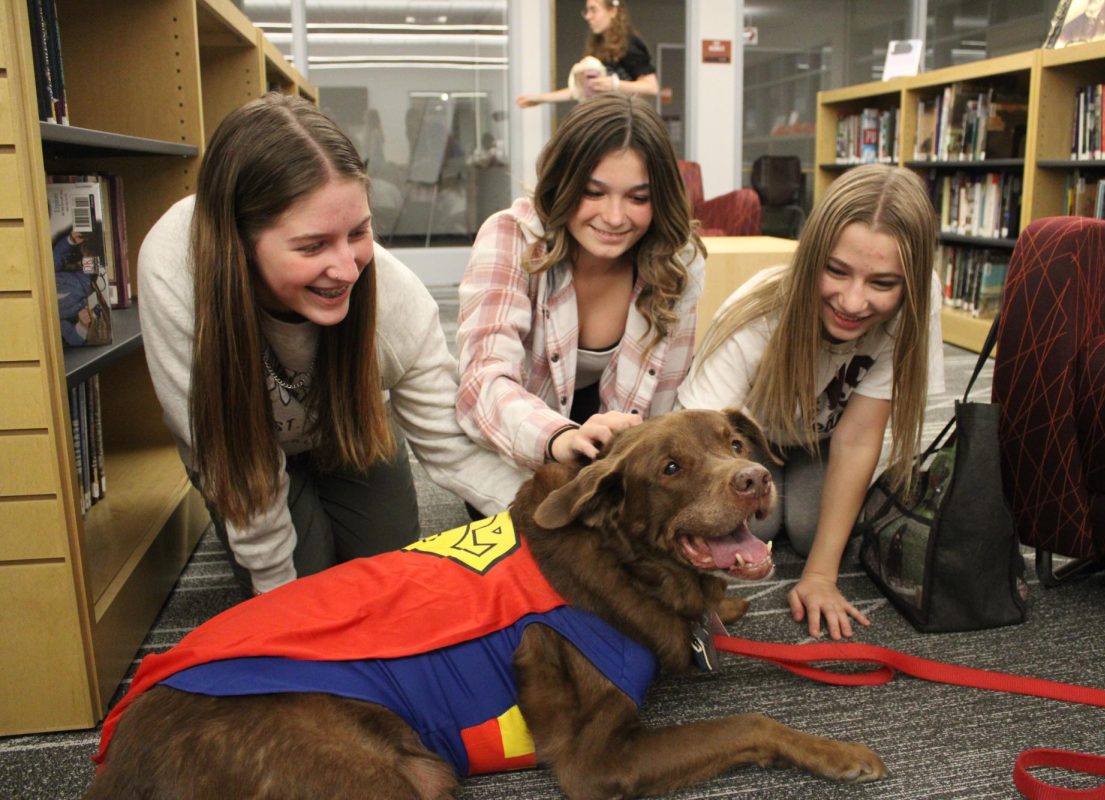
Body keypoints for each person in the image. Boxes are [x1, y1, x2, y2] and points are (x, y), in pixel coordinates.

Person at [139, 93, 524, 596]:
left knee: (387, 576)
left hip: (345, 425)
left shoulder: (394, 298)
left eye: (359, 233)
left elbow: (453, 445)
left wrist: (554, 518)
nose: (348, 269)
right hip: (240, 452)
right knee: (311, 584)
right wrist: (282, 606)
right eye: (312, 245)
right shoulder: (176, 276)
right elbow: (237, 470)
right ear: (240, 242)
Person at [677, 164, 945, 640]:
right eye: (836, 271)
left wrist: (820, 576)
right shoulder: (756, 315)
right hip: (740, 448)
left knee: (808, 530)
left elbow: (859, 438)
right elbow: (698, 442)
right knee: (753, 528)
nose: (853, 301)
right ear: (811, 257)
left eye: (882, 283)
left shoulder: (919, 303)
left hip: (821, 440)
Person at [457, 93, 704, 473]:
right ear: (563, 182)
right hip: (517, 451)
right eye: (593, 192)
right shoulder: (512, 236)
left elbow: (665, 403)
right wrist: (560, 438)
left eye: (638, 198)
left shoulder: (678, 259)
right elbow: (482, 382)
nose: (615, 217)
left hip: (622, 465)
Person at [516, 0, 659, 109]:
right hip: (603, 116)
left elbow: (651, 87)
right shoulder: (599, 46)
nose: (588, 16)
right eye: (587, 11)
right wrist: (540, 99)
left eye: (594, 10)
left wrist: (614, 84)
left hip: (625, 119)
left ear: (613, 11)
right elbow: (579, 91)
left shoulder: (630, 43)